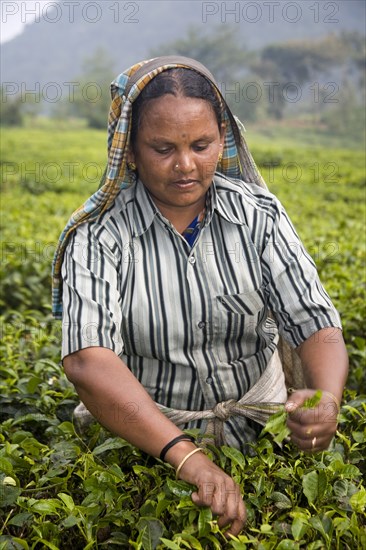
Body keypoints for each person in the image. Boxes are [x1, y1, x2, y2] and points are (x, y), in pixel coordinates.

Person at [52, 56, 348, 537]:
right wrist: (188, 458)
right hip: (147, 438)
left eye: (201, 145)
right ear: (130, 151)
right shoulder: (100, 237)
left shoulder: (257, 216)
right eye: (163, 148)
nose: (186, 165)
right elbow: (88, 361)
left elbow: (316, 322)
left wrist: (326, 398)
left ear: (222, 141)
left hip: (261, 423)